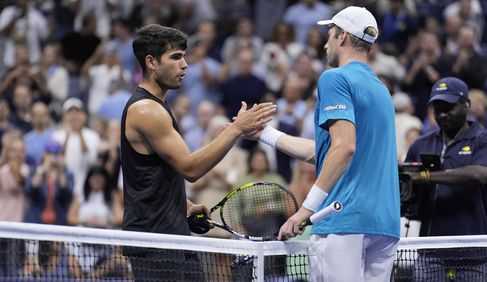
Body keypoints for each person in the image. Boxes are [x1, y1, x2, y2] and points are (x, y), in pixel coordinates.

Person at [251, 7, 400, 281]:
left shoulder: (335, 78)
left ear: (342, 37)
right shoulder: (381, 89)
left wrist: (306, 210)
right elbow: (326, 151)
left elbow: (343, 148)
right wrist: (265, 134)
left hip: (342, 219)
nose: (325, 43)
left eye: (330, 36)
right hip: (384, 223)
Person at [121, 24, 276, 281]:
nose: (185, 65)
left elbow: (152, 175)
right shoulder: (146, 110)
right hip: (155, 243)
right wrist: (237, 128)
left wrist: (185, 206)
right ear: (151, 62)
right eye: (175, 57)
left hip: (172, 236)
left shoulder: (158, 105)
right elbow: (190, 169)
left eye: (184, 56)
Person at [405, 77, 487, 281]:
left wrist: (426, 176)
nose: (442, 114)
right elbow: (407, 187)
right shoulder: (421, 145)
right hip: (431, 249)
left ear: (466, 104)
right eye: (437, 108)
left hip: (477, 251)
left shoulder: (485, 139)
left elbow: (480, 174)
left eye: (448, 107)